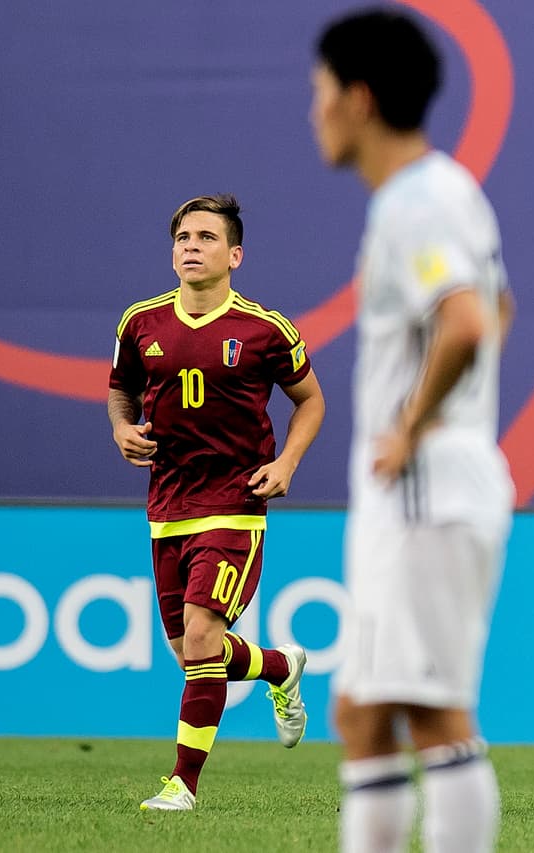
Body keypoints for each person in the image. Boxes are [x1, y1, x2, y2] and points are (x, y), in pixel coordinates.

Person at [310, 9, 515, 852]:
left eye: (318, 92)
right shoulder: (442, 191)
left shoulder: (415, 203)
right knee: (362, 711)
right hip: (433, 480)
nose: (313, 111)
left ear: (358, 99)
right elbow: (495, 307)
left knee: (431, 710)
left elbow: (466, 321)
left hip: (424, 482)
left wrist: (411, 423)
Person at [108, 193, 326, 811]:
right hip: (168, 501)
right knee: (190, 654)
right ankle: (280, 667)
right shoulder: (140, 323)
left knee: (202, 637)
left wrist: (285, 463)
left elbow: (311, 400)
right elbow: (121, 390)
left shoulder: (265, 329)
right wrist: (122, 429)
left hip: (235, 500)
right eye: (183, 237)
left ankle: (183, 785)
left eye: (206, 237)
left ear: (234, 254)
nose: (191, 247)